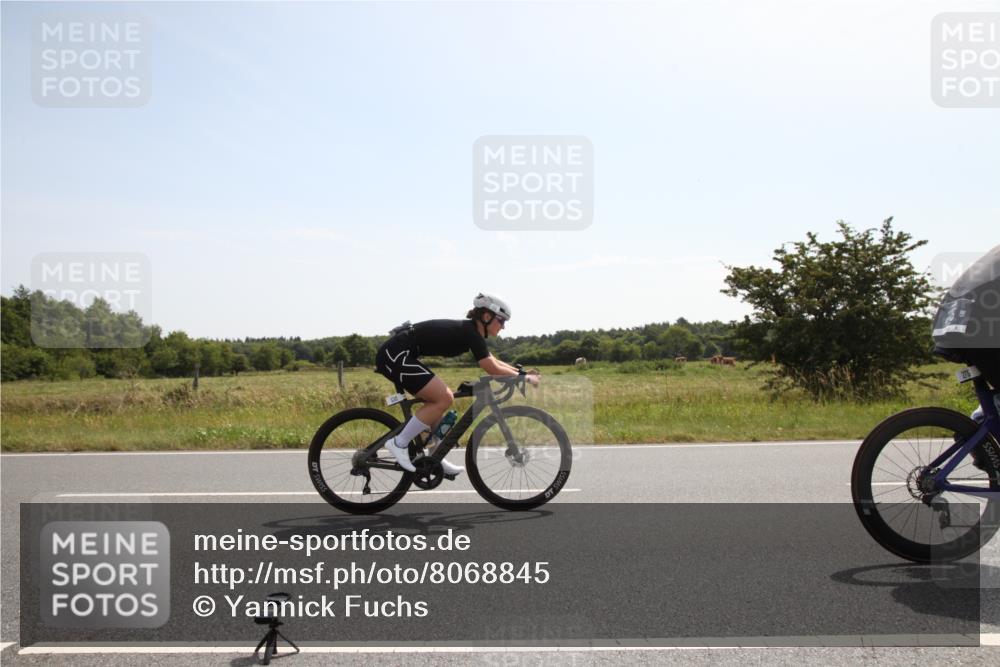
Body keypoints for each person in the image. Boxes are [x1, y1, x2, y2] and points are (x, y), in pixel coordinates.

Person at [375, 293, 539, 475]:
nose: (503, 327)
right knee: (443, 398)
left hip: (399, 353)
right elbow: (491, 368)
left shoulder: (472, 332)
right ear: (487, 317)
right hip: (395, 354)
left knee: (436, 404)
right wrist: (524, 379)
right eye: (501, 321)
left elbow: (492, 360)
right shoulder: (471, 332)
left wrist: (519, 373)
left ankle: (434, 456)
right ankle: (399, 443)